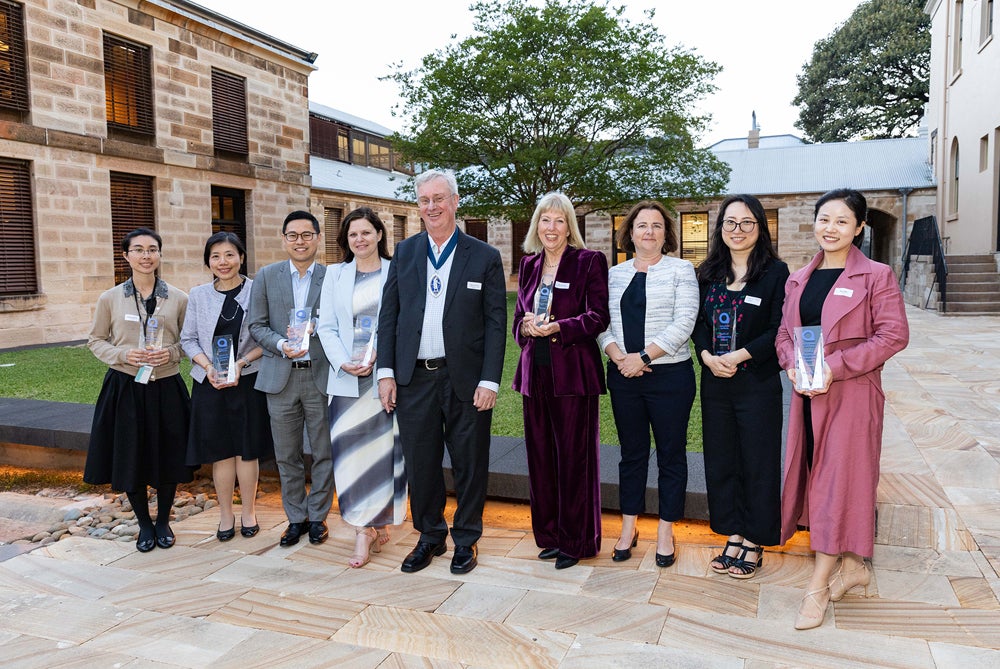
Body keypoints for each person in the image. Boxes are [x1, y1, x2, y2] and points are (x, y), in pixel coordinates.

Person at [776, 188, 908, 630]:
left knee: (838, 482)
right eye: (823, 219)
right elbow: (783, 334)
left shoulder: (876, 275)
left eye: (841, 221)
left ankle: (818, 584)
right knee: (816, 475)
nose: (829, 228)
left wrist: (834, 366)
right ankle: (852, 567)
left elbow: (893, 335)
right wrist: (792, 366)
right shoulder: (799, 278)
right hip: (806, 396)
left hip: (850, 395)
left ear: (859, 228)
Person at [377, 168, 506, 575]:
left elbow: (495, 323)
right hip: (413, 379)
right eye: (424, 201)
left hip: (465, 380)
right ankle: (430, 535)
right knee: (421, 462)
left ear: (454, 202)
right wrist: (385, 372)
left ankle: (466, 539)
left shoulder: (483, 256)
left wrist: (489, 380)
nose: (431, 207)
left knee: (470, 462)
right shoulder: (406, 252)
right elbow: (390, 316)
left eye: (439, 198)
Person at [691, 195, 789, 579]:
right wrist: (706, 355)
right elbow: (697, 322)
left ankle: (755, 538)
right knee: (722, 459)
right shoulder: (708, 273)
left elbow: (779, 328)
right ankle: (732, 532)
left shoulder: (776, 273)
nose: (738, 230)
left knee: (758, 462)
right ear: (720, 229)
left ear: (760, 228)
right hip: (715, 382)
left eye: (747, 223)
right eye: (730, 223)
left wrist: (741, 355)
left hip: (756, 383)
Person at [596, 201, 696, 569]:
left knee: (672, 454)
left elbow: (685, 320)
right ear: (630, 233)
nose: (649, 232)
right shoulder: (613, 274)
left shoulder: (682, 270)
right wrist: (618, 356)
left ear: (666, 233)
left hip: (669, 377)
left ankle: (666, 531)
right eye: (642, 225)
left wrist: (644, 357)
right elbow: (601, 321)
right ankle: (628, 527)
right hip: (623, 376)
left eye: (656, 225)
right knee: (631, 453)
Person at [514, 192, 610, 570]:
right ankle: (551, 536)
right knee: (541, 458)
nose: (551, 228)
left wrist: (558, 327)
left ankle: (577, 540)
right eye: (544, 220)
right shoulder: (528, 265)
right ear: (537, 225)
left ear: (569, 225)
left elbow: (597, 316)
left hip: (573, 374)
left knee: (574, 460)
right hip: (533, 372)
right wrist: (524, 323)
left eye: (558, 220)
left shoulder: (588, 262)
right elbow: (520, 314)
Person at [84, 227, 191, 553]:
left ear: (160, 254)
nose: (146, 256)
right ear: (126, 255)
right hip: (125, 388)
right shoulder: (111, 298)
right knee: (130, 455)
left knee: (169, 454)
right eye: (139, 249)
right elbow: (95, 340)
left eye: (152, 249)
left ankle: (163, 522)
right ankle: (144, 523)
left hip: (166, 386)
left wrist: (170, 353)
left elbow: (188, 342)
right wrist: (122, 354)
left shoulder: (178, 298)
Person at [317, 207, 406, 568]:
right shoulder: (335, 275)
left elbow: (401, 323)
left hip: (383, 376)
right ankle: (361, 528)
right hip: (345, 379)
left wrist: (379, 361)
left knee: (383, 454)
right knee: (351, 456)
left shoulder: (395, 272)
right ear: (346, 240)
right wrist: (344, 361)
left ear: (380, 235)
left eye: (366, 233)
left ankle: (376, 520)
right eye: (353, 234)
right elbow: (325, 327)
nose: (360, 240)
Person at [248, 210, 333, 548]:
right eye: (293, 235)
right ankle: (296, 518)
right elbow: (256, 326)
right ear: (283, 239)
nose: (300, 241)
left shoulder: (332, 277)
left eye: (306, 235)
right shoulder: (267, 277)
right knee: (287, 454)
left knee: (324, 451)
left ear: (317, 238)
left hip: (321, 375)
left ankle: (319, 517)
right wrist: (282, 344)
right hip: (280, 377)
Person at [181, 232, 273, 542]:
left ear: (242, 258)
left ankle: (248, 511)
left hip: (247, 380)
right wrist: (207, 367)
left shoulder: (257, 290)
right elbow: (188, 339)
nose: (224, 262)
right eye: (216, 256)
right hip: (210, 384)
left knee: (247, 452)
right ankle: (225, 515)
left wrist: (241, 362)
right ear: (208, 261)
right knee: (220, 452)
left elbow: (265, 335)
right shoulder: (198, 295)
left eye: (230, 255)